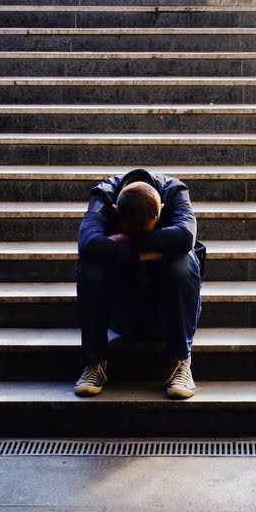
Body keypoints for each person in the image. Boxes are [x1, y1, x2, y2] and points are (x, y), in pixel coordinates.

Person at [73, 168, 203, 399]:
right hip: (120, 310)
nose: (136, 237)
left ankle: (181, 362)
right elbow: (87, 244)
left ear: (161, 210)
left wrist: (123, 240)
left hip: (165, 312)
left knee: (184, 260)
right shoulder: (104, 196)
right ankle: (94, 362)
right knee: (91, 263)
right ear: (115, 211)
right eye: (129, 232)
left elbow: (185, 237)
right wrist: (143, 254)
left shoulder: (175, 192)